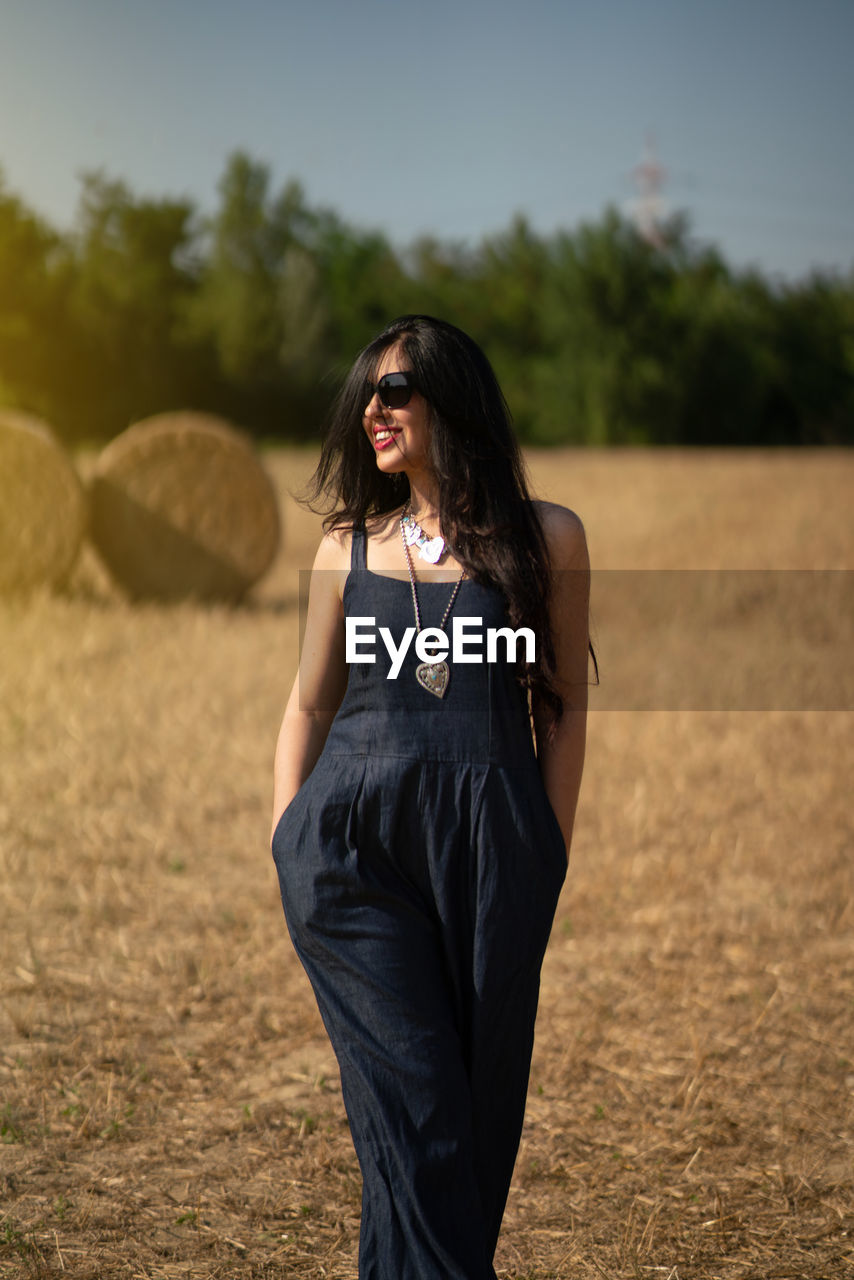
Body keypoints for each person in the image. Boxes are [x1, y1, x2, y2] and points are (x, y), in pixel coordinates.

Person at [271, 315, 589, 1279]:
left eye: (394, 389)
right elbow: (310, 702)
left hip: (496, 855)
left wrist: (544, 853)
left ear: (452, 399)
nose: (372, 408)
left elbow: (561, 713)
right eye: (366, 393)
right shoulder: (344, 550)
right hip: (355, 855)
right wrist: (288, 835)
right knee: (424, 1116)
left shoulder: (549, 540)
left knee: (474, 1132)